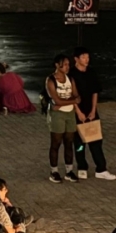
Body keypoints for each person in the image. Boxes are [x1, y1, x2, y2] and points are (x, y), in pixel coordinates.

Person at [70, 48, 116, 181]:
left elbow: (95, 92)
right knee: (79, 142)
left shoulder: (91, 72)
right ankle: (82, 166)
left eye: (88, 57)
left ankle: (101, 168)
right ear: (76, 59)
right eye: (83, 57)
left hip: (90, 110)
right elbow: (71, 95)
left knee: (95, 140)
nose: (86, 60)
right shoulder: (72, 74)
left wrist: (93, 110)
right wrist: (78, 111)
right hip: (78, 111)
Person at [46, 53, 80, 184]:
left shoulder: (70, 79)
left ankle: (69, 171)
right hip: (57, 115)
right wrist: (71, 101)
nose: (67, 67)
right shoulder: (51, 80)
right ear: (57, 65)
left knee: (69, 142)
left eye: (68, 64)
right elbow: (57, 100)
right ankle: (54, 171)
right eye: (64, 64)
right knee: (56, 143)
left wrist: (62, 102)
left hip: (69, 113)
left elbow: (77, 97)